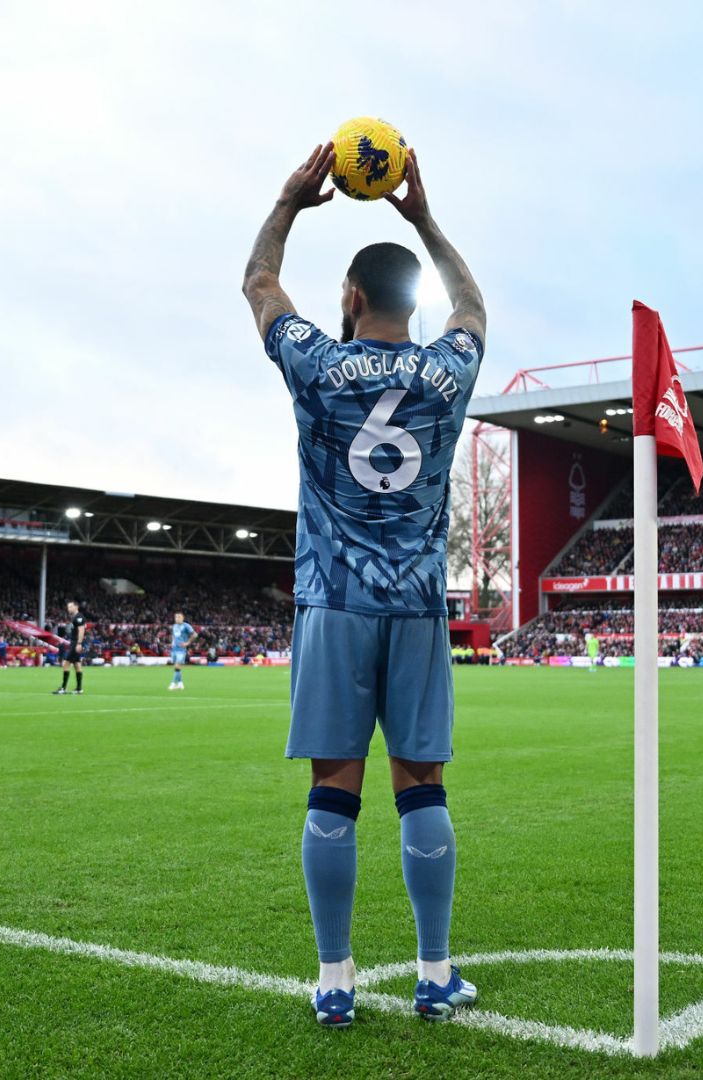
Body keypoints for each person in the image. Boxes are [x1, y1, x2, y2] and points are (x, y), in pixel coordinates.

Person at [242, 142, 486, 1028]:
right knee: (421, 786)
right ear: (408, 301)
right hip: (418, 604)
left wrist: (289, 203)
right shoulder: (446, 373)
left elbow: (259, 285)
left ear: (350, 299)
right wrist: (421, 216)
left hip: (334, 601)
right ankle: (433, 974)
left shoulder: (314, 364)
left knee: (331, 791)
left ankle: (337, 981)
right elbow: (474, 307)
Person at [54, 599, 87, 695]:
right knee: (77, 665)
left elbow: (81, 630)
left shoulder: (78, 617)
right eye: (68, 607)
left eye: (71, 606)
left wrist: (79, 643)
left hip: (76, 643)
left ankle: (63, 688)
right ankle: (79, 688)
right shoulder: (75, 617)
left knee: (66, 663)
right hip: (74, 642)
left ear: (76, 607)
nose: (69, 608)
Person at [167, 612, 197, 691]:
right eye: (176, 617)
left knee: (177, 666)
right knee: (177, 667)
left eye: (179, 617)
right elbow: (174, 636)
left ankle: (173, 683)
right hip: (174, 649)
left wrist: (187, 643)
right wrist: (172, 643)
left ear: (183, 618)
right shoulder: (174, 626)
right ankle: (180, 684)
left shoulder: (186, 626)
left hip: (181, 650)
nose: (177, 618)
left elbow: (194, 635)